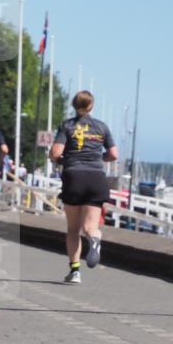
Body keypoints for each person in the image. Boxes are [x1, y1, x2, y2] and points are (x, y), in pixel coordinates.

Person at [49, 90, 118, 285]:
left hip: (74, 177)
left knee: (73, 229)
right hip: (96, 178)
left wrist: (61, 159)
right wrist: (98, 157)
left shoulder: (67, 125)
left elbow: (56, 152)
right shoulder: (102, 127)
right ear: (91, 106)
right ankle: (94, 239)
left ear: (74, 105)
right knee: (90, 227)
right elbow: (114, 154)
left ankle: (75, 271)